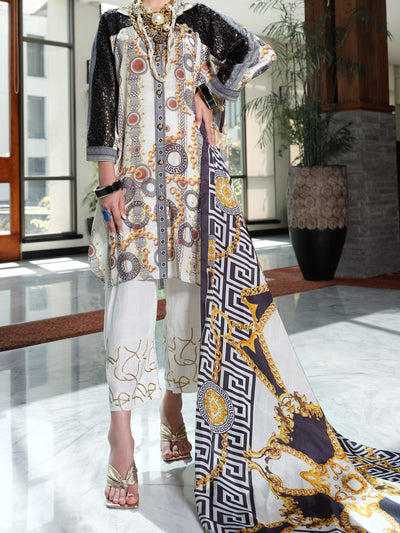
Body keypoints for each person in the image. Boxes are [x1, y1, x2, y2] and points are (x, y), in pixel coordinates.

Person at [87, 0, 276, 510]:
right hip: (132, 184)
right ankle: (120, 436)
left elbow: (254, 51)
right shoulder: (114, 23)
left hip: (192, 181)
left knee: (189, 298)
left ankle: (172, 408)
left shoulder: (197, 17)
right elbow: (103, 100)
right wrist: (107, 182)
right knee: (128, 300)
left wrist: (207, 93)